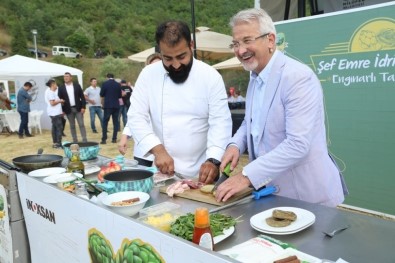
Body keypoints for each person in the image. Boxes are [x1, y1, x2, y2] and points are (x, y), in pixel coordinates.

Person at [215, 8, 348, 207]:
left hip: (307, 196)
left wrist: (246, 176)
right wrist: (235, 145)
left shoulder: (297, 77)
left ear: (270, 40)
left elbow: (297, 144)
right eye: (236, 43)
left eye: (247, 40)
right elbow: (250, 122)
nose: (240, 50)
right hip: (273, 194)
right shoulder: (254, 76)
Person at [118, 20, 232, 183]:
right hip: (160, 169)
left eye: (181, 56)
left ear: (191, 45)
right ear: (160, 51)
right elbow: (136, 117)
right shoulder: (148, 74)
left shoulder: (210, 76)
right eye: (168, 59)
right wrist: (158, 150)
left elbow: (220, 123)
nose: (176, 65)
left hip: (199, 170)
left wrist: (213, 159)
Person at [58, 72, 88, 143]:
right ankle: (75, 140)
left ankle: (84, 139)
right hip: (68, 109)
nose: (65, 78)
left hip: (78, 108)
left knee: (81, 124)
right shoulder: (61, 87)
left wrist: (83, 107)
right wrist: (62, 110)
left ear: (71, 77)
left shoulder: (77, 86)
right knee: (72, 126)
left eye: (67, 76)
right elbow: (60, 99)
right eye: (64, 76)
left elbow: (82, 97)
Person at [100, 73, 122, 144]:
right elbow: (119, 96)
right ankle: (114, 139)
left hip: (108, 105)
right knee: (115, 122)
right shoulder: (118, 84)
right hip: (116, 105)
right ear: (113, 77)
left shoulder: (105, 84)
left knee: (105, 122)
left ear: (107, 77)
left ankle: (104, 139)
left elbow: (101, 94)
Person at [44, 79, 65, 148]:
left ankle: (55, 143)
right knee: (59, 128)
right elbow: (52, 103)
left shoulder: (52, 92)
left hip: (54, 112)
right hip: (54, 113)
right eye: (56, 84)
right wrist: (60, 101)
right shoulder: (50, 92)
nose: (57, 86)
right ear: (53, 84)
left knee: (55, 128)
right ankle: (58, 143)